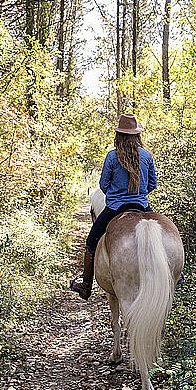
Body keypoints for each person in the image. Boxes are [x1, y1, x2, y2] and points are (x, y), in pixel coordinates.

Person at [70, 113, 157, 301]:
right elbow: (152, 185)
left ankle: (85, 286)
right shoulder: (147, 156)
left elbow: (103, 184)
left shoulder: (112, 156)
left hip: (115, 208)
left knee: (92, 241)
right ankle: (177, 274)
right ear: (137, 135)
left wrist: (115, 193)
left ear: (119, 135)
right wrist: (139, 192)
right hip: (142, 206)